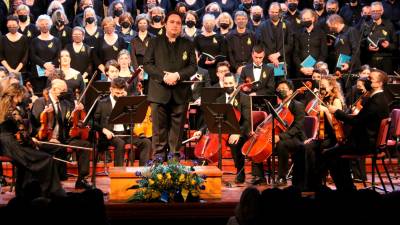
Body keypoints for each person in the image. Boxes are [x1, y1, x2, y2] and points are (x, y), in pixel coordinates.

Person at [143, 11, 197, 161]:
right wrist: (164, 76)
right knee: (159, 130)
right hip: (159, 92)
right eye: (172, 22)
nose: (175, 25)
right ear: (165, 24)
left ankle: (174, 160)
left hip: (180, 93)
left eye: (178, 23)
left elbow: (193, 67)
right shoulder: (154, 41)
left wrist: (177, 75)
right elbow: (147, 64)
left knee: (177, 130)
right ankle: (158, 161)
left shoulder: (188, 43)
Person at [326, 68, 390, 191]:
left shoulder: (376, 101)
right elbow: (362, 119)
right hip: (368, 141)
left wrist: (337, 112)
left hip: (365, 144)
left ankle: (346, 189)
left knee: (329, 154)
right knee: (336, 152)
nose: (366, 80)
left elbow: (357, 121)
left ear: (379, 83)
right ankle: (347, 187)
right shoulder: (378, 98)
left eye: (370, 79)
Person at [0, 83, 65, 197]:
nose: (23, 97)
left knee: (28, 162)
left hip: (4, 144)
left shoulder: (3, 106)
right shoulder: (13, 110)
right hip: (11, 145)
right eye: (22, 95)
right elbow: (22, 132)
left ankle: (24, 192)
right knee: (46, 159)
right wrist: (32, 141)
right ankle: (53, 191)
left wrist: (30, 140)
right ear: (17, 94)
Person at [31, 79, 92, 190]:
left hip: (63, 138)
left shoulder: (64, 103)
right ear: (54, 90)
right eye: (63, 90)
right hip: (44, 139)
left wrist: (77, 111)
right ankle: (55, 181)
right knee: (58, 147)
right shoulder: (40, 102)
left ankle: (82, 179)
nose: (65, 92)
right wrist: (49, 136)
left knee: (84, 145)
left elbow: (69, 122)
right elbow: (35, 123)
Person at [193, 73, 251, 183]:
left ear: (235, 83)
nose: (228, 85)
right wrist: (200, 131)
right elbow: (210, 119)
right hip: (221, 130)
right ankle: (204, 171)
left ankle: (240, 172)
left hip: (238, 130)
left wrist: (237, 133)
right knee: (208, 140)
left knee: (236, 143)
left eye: (230, 83)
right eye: (226, 83)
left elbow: (247, 121)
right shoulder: (219, 99)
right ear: (222, 84)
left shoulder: (244, 98)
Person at [94, 77, 151, 166]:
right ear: (111, 89)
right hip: (110, 135)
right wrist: (104, 130)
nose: (119, 95)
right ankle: (118, 172)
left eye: (121, 93)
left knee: (146, 142)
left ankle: (143, 172)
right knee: (120, 143)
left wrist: (126, 99)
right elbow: (93, 122)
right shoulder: (102, 103)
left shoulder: (126, 101)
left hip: (125, 134)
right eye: (117, 93)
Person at [302, 76, 345, 190]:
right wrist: (313, 137)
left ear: (331, 87)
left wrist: (326, 110)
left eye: (324, 86)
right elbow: (317, 122)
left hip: (333, 137)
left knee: (316, 149)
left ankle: (316, 182)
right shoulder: (321, 99)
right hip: (321, 136)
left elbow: (337, 126)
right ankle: (310, 183)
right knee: (306, 147)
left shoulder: (336, 101)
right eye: (320, 87)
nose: (321, 89)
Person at [273, 80, 306, 186]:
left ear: (291, 91)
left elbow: (297, 127)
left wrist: (280, 137)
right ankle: (259, 176)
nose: (281, 91)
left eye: (284, 89)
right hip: (282, 135)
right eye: (279, 89)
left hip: (297, 137)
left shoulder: (298, 105)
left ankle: (282, 177)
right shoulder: (277, 106)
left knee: (282, 144)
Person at [260, 2, 294, 78]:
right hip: (268, 61)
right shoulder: (262, 26)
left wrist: (278, 54)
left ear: (280, 12)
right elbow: (261, 44)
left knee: (283, 84)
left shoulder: (287, 24)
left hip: (282, 60)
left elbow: (290, 44)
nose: (274, 14)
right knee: (269, 85)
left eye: (276, 12)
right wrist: (271, 57)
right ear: (268, 11)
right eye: (272, 12)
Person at [29, 14, 62, 93]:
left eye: (46, 24)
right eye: (42, 24)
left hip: (53, 73)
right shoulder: (34, 41)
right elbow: (33, 56)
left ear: (50, 25)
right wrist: (44, 65)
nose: (44, 26)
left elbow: (58, 56)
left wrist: (50, 69)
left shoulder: (56, 41)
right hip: (37, 75)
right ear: (38, 26)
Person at [294, 9, 327, 78]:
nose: (306, 20)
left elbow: (323, 53)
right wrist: (301, 68)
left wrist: (314, 68)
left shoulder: (321, 33)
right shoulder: (298, 33)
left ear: (313, 18)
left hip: (317, 70)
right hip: (301, 70)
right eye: (304, 19)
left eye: (308, 18)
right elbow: (295, 53)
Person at [194, 13, 226, 85]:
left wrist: (215, 60)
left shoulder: (220, 37)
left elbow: (223, 53)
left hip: (217, 69)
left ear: (214, 23)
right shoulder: (197, 38)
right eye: (206, 22)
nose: (209, 24)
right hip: (202, 67)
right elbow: (196, 54)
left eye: (211, 22)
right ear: (203, 23)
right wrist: (202, 61)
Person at [226, 11, 256, 76]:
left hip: (250, 67)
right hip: (235, 69)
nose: (241, 21)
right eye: (239, 19)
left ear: (247, 20)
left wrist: (247, 66)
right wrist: (237, 67)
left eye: (243, 19)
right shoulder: (229, 36)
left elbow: (254, 52)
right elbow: (229, 53)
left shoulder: (252, 34)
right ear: (235, 21)